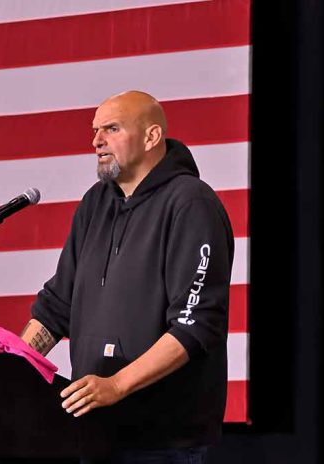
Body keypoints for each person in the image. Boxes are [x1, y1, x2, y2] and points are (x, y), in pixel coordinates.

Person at [20, 91, 234, 463]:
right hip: (92, 433)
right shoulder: (95, 204)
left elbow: (195, 324)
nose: (96, 141)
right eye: (95, 130)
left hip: (164, 443)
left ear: (152, 137)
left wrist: (116, 385)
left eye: (112, 128)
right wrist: (10, 374)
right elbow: (57, 306)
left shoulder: (191, 204)